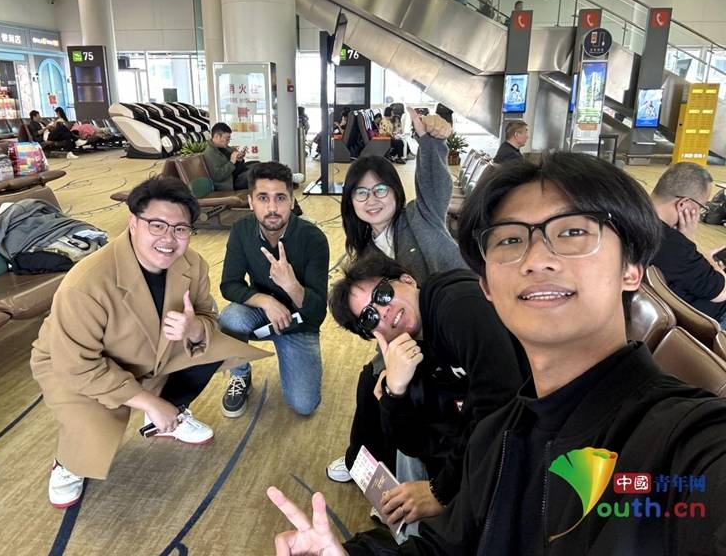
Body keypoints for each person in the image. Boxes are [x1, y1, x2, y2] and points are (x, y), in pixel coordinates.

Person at [268, 152, 726, 555]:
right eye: (510, 240)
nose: (536, 260)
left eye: (571, 232)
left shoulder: (684, 441)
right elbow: (444, 546)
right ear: (488, 285)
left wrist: (440, 489)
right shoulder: (499, 437)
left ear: (631, 268)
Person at [31, 177, 265, 509]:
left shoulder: (192, 264)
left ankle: (165, 417)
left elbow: (206, 315)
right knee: (92, 439)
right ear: (133, 223)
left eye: (180, 229)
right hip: (76, 366)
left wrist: (195, 328)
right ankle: (68, 463)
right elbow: (78, 366)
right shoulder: (86, 283)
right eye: (157, 225)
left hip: (148, 348)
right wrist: (150, 403)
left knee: (215, 347)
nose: (168, 239)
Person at [327, 252, 525, 536]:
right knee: (381, 394)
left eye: (382, 294)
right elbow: (413, 445)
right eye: (369, 317)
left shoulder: (457, 305)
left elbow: (501, 405)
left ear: (408, 280)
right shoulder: (410, 349)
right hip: (477, 430)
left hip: (529, 425)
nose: (383, 312)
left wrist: (440, 490)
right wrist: (396, 391)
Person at [325, 107, 463, 484]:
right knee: (372, 381)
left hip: (454, 331)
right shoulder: (364, 255)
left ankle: (379, 467)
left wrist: (431, 141)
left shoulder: (419, 217)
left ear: (395, 191)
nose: (372, 199)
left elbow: (434, 185)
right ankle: (364, 462)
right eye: (361, 192)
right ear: (350, 201)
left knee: (392, 389)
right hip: (412, 339)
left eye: (380, 189)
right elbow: (378, 318)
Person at [218, 162, 329, 417]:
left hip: (299, 323)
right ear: (250, 202)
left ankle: (292, 355)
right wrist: (266, 301)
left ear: (292, 200)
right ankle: (240, 374)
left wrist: (291, 285)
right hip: (262, 313)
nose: (271, 208)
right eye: (263, 198)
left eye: (280, 198)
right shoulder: (242, 230)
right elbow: (229, 284)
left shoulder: (313, 239)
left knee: (304, 405)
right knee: (231, 317)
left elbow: (317, 313)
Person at [651, 162, 726, 326]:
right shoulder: (671, 243)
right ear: (683, 204)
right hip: (694, 321)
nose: (699, 213)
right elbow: (722, 292)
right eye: (701, 207)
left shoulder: (634, 215)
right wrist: (689, 240)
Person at [202, 122, 250, 191]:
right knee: (257, 173)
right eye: (227, 139)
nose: (228, 141)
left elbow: (235, 161)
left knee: (258, 166)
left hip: (237, 174)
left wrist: (239, 158)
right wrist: (232, 162)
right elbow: (217, 176)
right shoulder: (210, 153)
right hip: (230, 183)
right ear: (217, 136)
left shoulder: (224, 147)